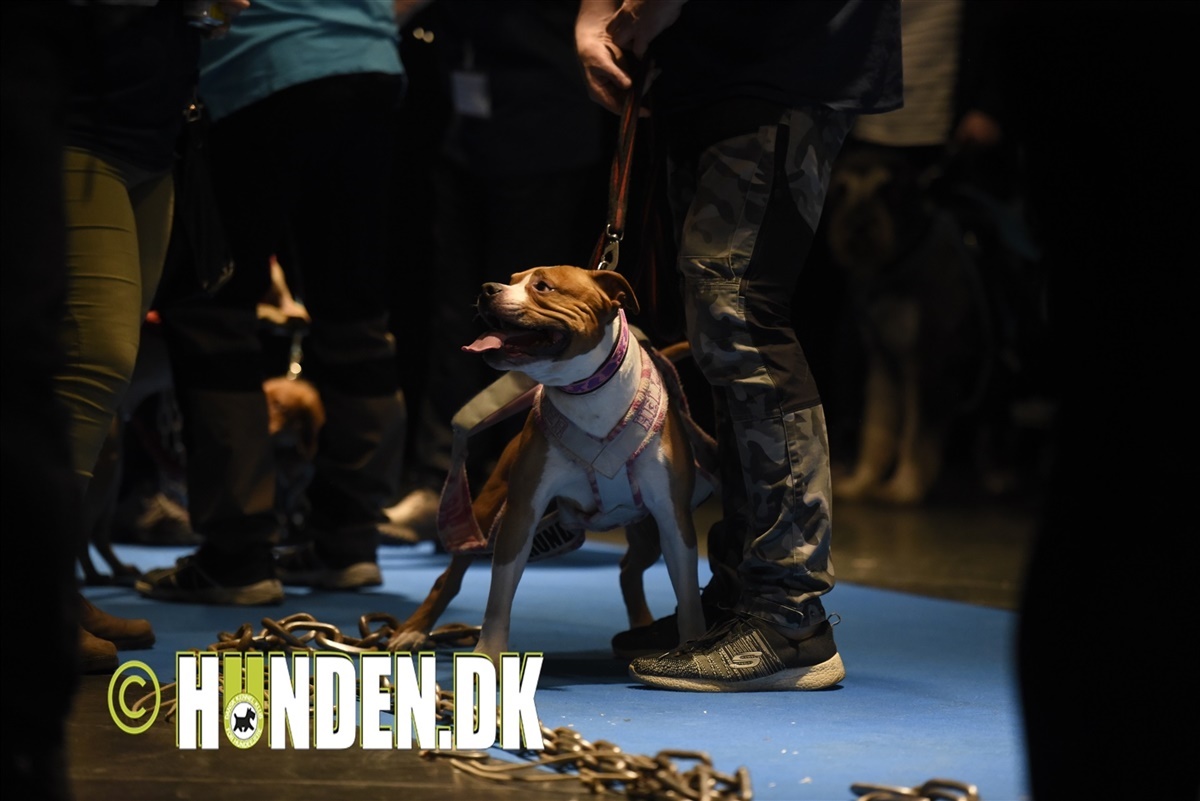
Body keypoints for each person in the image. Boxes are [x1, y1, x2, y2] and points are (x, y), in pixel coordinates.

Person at [575, 0, 902, 691]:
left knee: (738, 309)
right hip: (696, 65)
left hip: (780, 52)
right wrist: (596, 15)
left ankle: (788, 613)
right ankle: (741, 594)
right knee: (714, 324)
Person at [138, 0, 412, 604]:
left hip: (257, 68)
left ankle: (237, 556)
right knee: (355, 313)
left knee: (214, 310)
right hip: (368, 63)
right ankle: (348, 541)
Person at [384, 0, 612, 543]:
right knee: (455, 315)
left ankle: (520, 490)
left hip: (543, 132)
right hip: (465, 133)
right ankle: (440, 483)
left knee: (531, 328)